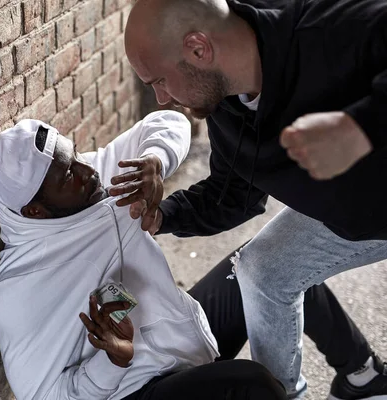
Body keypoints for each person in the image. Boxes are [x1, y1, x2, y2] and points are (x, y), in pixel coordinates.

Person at [0, 112, 380, 400]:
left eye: (75, 157)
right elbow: (44, 395)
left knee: (271, 269)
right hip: (136, 390)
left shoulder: (94, 180)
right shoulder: (19, 290)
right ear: (34, 210)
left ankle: (362, 374)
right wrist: (112, 363)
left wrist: (156, 160)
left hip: (183, 342)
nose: (87, 172)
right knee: (250, 387)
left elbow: (170, 121)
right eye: (68, 175)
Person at [121, 0, 387, 398]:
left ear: (198, 48)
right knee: (264, 269)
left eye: (159, 80)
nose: (161, 98)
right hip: (355, 217)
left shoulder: (322, 26)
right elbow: (231, 196)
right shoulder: (225, 105)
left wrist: (360, 128)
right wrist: (162, 215)